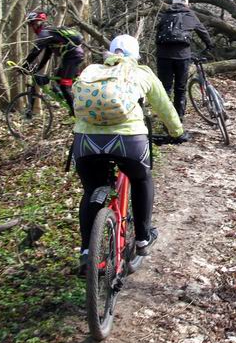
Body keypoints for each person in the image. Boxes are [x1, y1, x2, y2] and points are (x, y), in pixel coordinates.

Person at [72, 34, 183, 275]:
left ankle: (86, 252)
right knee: (141, 178)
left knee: (91, 190)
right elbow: (164, 106)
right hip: (129, 141)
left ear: (110, 54)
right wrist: (176, 131)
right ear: (136, 55)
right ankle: (143, 238)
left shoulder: (91, 70)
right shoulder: (142, 73)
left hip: (86, 142)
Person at [155, 0, 214, 130]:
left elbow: (158, 34)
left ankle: (166, 122)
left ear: (173, 4)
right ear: (187, 5)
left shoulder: (165, 15)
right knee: (180, 89)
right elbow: (202, 31)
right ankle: (179, 121)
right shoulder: (190, 15)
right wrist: (209, 45)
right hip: (182, 56)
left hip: (163, 57)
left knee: (165, 89)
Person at [23, 10, 85, 115]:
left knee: (64, 86)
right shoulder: (50, 34)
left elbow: (36, 50)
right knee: (57, 80)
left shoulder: (45, 33)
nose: (31, 28)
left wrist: (24, 65)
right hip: (69, 57)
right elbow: (47, 56)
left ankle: (75, 115)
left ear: (37, 23)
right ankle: (75, 104)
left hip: (73, 57)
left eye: (31, 24)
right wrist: (37, 69)